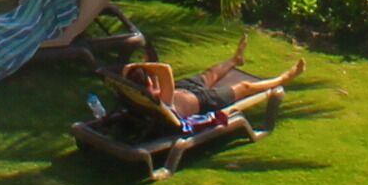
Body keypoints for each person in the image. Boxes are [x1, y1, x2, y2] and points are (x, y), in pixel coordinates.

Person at [128, 37, 304, 122]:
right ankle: (283, 78)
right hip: (203, 101)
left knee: (210, 74)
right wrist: (146, 66)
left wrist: (142, 69)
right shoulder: (159, 99)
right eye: (149, 78)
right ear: (148, 83)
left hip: (184, 90)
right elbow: (165, 70)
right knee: (245, 86)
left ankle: (236, 60)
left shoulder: (138, 93)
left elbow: (129, 72)